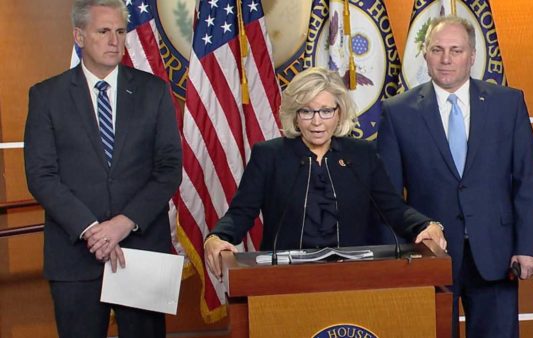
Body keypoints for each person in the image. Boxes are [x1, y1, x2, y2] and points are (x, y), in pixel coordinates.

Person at [377, 16, 533, 338]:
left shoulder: (507, 104)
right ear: (424, 55)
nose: (446, 59)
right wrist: (395, 261)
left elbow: (527, 179)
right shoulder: (397, 111)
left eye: (456, 50)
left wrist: (529, 246)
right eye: (437, 50)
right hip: (428, 256)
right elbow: (388, 197)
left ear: (472, 55)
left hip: (497, 253)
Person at [23, 0, 182, 337]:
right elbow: (41, 175)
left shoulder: (153, 91)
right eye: (104, 31)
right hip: (75, 257)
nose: (115, 40)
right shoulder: (46, 96)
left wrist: (122, 224)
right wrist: (92, 229)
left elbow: (169, 168)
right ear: (79, 36)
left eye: (121, 31)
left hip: (141, 251)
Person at [204, 67, 446, 278]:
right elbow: (241, 213)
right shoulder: (270, 156)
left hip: (353, 275)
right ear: (295, 116)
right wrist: (217, 237)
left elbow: (393, 208)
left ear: (339, 113)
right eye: (307, 111)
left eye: (326, 111)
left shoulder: (361, 155)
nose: (317, 121)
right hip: (284, 278)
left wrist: (426, 225)